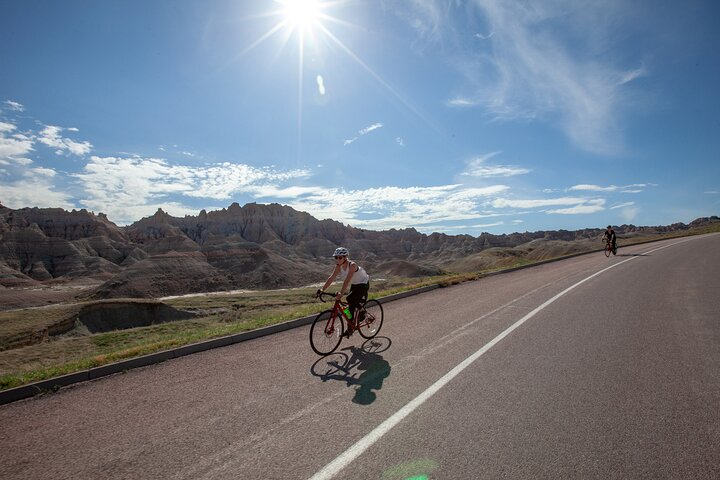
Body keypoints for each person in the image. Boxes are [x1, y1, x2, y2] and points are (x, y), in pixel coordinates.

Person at [316, 247, 370, 337]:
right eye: (336, 257)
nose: (338, 259)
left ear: (345, 257)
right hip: (355, 284)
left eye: (340, 257)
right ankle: (350, 328)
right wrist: (322, 289)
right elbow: (331, 278)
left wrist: (341, 293)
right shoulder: (338, 267)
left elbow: (347, 280)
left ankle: (362, 311)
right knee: (350, 307)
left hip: (363, 283)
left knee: (350, 298)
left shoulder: (352, 265)